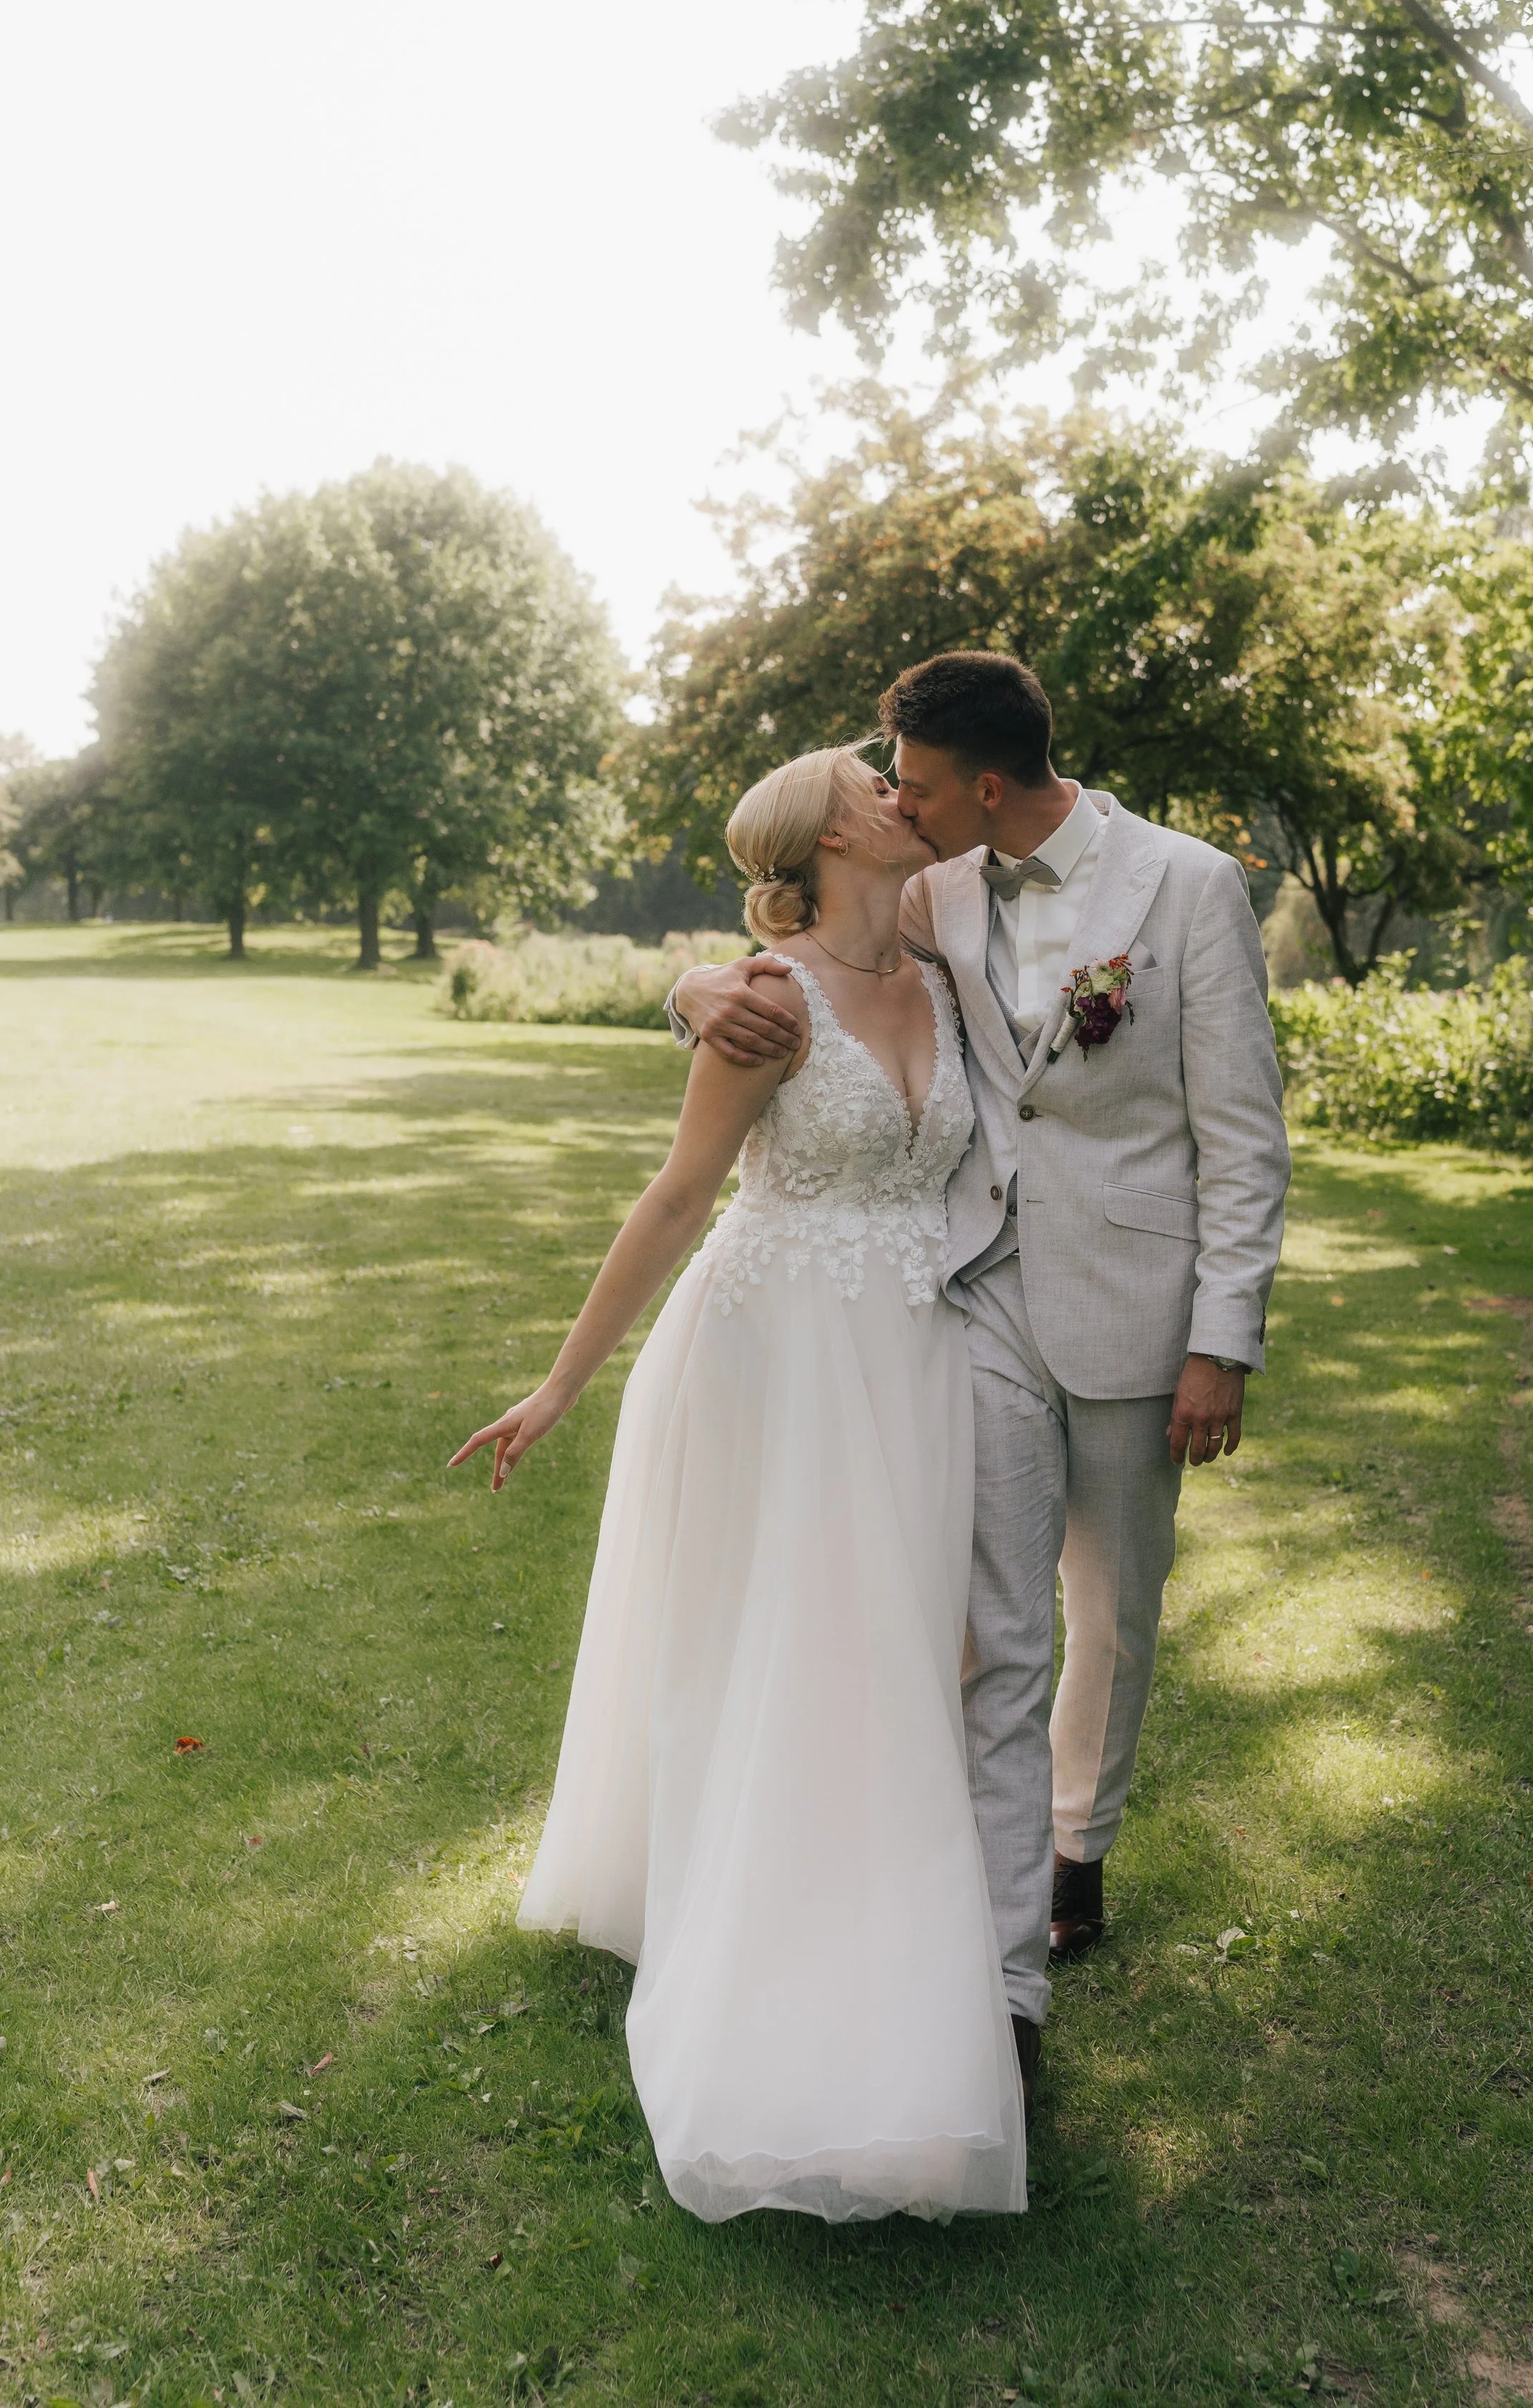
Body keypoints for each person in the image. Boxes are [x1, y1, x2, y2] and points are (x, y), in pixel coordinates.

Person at [670, 653, 1290, 2105]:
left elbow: (1244, 1139)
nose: (898, 799)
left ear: (986, 791)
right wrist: (694, 986)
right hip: (981, 1300)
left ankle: (1079, 1844)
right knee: (997, 1643)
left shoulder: (1186, 888)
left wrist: (1221, 1338)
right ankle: (1003, 1985)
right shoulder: (936, 884)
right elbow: (804, 958)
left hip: (1139, 1315)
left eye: (918, 781)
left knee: (1111, 1619)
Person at [451, 744, 1026, 2225]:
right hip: (773, 1349)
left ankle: (898, 1922)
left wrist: (684, 977)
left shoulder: (950, 953)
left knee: (906, 1647)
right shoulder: (764, 1004)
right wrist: (559, 1383)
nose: (905, 789)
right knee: (794, 1649)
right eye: (874, 779)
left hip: (917, 1358)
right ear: (830, 827)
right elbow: (674, 1196)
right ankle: (797, 1951)